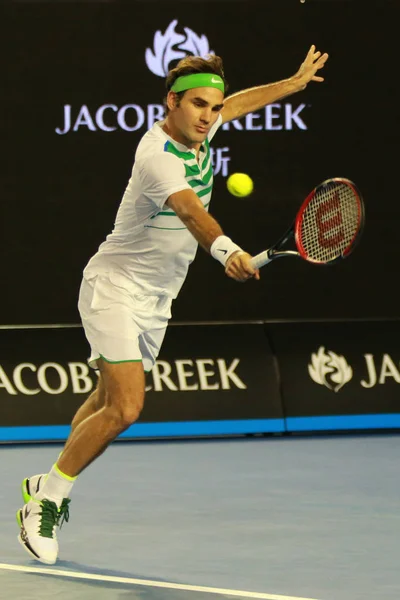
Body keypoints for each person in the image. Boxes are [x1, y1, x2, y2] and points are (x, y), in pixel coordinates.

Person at [17, 45, 328, 564]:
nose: (209, 115)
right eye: (199, 105)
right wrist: (227, 250)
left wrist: (292, 85)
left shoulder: (206, 124)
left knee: (103, 401)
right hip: (115, 286)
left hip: (158, 298)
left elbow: (240, 104)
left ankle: (45, 482)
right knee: (127, 407)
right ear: (171, 103)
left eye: (214, 106)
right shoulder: (157, 154)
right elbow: (189, 211)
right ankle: (47, 499)